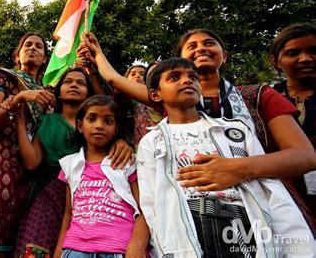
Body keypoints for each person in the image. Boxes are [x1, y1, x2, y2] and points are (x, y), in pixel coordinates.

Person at [77, 31, 315, 187]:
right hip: (191, 193)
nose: (201, 48)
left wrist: (239, 168)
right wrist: (96, 52)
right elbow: (115, 80)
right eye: (192, 46)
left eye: (209, 43)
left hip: (261, 193)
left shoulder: (259, 95)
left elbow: (304, 155)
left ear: (225, 56)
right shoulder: (171, 99)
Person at [136, 57, 314, 257]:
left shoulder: (236, 131)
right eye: (174, 77)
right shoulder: (151, 141)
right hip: (189, 229)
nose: (187, 81)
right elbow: (151, 201)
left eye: (193, 77)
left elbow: (269, 187)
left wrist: (300, 248)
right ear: (155, 94)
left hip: (243, 222)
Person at [13, 68, 135, 257]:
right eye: (68, 82)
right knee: (35, 246)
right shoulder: (48, 121)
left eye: (80, 83)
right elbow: (32, 162)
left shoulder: (101, 131)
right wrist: (19, 120)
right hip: (51, 194)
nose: (74, 85)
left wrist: (120, 142)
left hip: (95, 199)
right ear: (59, 91)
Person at [0, 32, 56, 257]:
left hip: (30, 173)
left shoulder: (49, 94)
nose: (33, 49)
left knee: (17, 237)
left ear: (45, 58)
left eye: (39, 46)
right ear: (18, 54)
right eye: (28, 45)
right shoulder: (3, 77)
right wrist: (19, 99)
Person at [54, 95, 149, 258]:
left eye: (108, 121)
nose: (99, 126)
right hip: (74, 249)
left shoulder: (127, 162)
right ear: (80, 125)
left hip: (118, 248)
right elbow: (69, 213)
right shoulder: (70, 165)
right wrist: (58, 251)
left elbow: (144, 209)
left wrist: (137, 246)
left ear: (116, 128)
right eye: (92, 119)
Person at [269, 23, 316, 216]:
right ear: (276, 61)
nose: (305, 59)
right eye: (293, 53)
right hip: (286, 200)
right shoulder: (262, 100)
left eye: (313, 51)